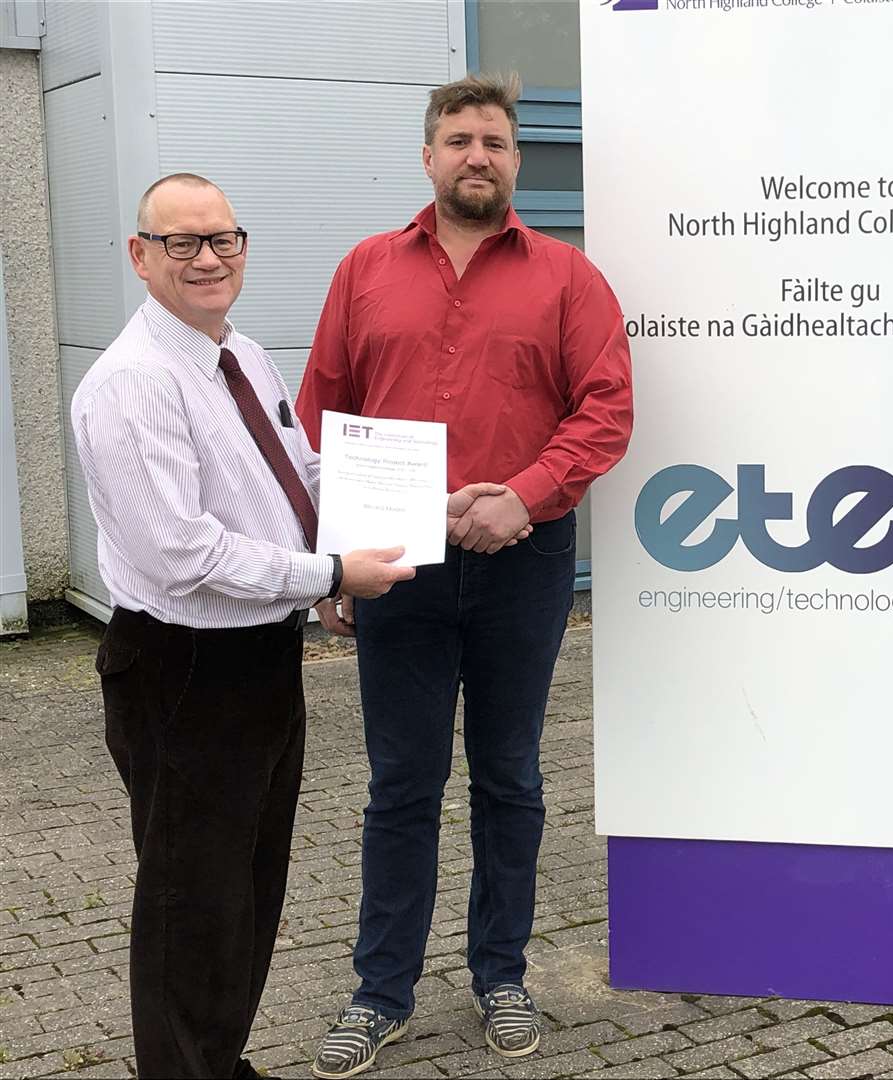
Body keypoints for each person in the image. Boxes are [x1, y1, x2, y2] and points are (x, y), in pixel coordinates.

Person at [297, 73, 633, 1078]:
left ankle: (501, 975)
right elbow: (322, 417)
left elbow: (604, 411)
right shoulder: (365, 270)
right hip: (396, 564)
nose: (475, 155)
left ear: (516, 159)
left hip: (522, 564)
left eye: (493, 140)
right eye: (457, 139)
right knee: (401, 783)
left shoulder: (569, 278)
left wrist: (522, 495)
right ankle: (381, 990)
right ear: (428, 155)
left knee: (510, 775)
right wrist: (332, 564)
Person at [70, 174, 416, 1078]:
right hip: (184, 670)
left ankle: (214, 1061)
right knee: (192, 900)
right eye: (181, 242)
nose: (207, 258)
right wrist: (332, 572)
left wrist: (416, 510)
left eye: (222, 239)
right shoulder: (134, 385)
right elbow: (184, 553)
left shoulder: (243, 354)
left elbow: (299, 471)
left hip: (261, 659)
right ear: (140, 256)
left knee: (249, 888)